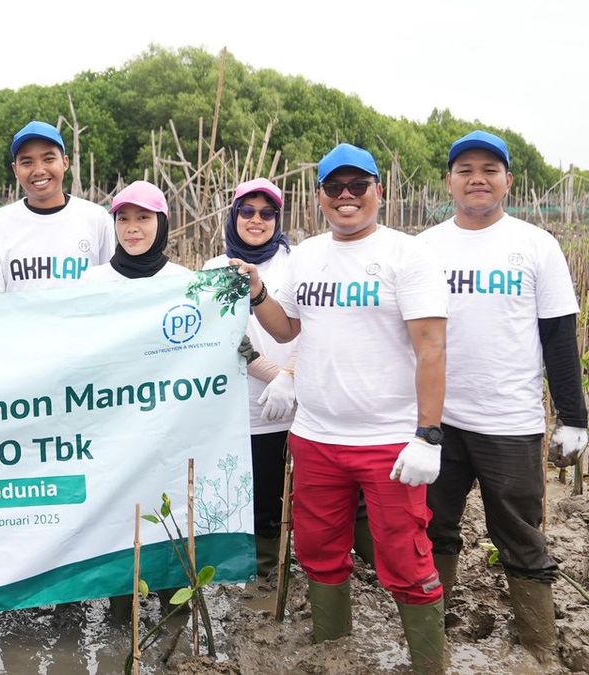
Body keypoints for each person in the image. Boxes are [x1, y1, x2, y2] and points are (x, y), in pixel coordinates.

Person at [232, 143, 449, 673]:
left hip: (388, 441)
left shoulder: (407, 255)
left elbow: (431, 348)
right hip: (315, 437)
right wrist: (258, 292)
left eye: (358, 186)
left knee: (406, 558)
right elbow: (287, 328)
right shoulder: (306, 255)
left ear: (379, 190)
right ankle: (334, 656)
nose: (346, 196)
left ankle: (429, 664)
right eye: (334, 187)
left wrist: (428, 435)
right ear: (319, 196)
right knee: (319, 551)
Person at [417, 130, 587, 663]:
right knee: (433, 527)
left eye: (489, 170)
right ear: (449, 181)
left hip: (510, 421)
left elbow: (559, 336)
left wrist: (574, 418)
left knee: (519, 531)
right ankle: (430, 637)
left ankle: (538, 647)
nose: (477, 179)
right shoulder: (424, 248)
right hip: (437, 420)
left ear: (508, 181)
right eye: (465, 170)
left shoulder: (536, 246)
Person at [202, 178, 299, 578]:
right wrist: (271, 373)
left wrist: (290, 378)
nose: (256, 220)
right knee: (251, 496)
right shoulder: (214, 270)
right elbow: (218, 337)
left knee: (288, 497)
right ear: (234, 216)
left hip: (297, 402)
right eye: (247, 211)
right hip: (242, 406)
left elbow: (316, 328)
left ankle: (284, 569)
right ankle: (259, 573)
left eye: (267, 213)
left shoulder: (296, 264)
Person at [0, 120, 113, 293]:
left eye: (48, 159)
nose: (39, 170)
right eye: (27, 162)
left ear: (65, 162)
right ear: (15, 170)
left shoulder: (96, 219)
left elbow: (111, 287)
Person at [81, 180, 188, 282]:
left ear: (162, 222)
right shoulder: (93, 281)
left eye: (143, 217)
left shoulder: (183, 282)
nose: (131, 229)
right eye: (123, 219)